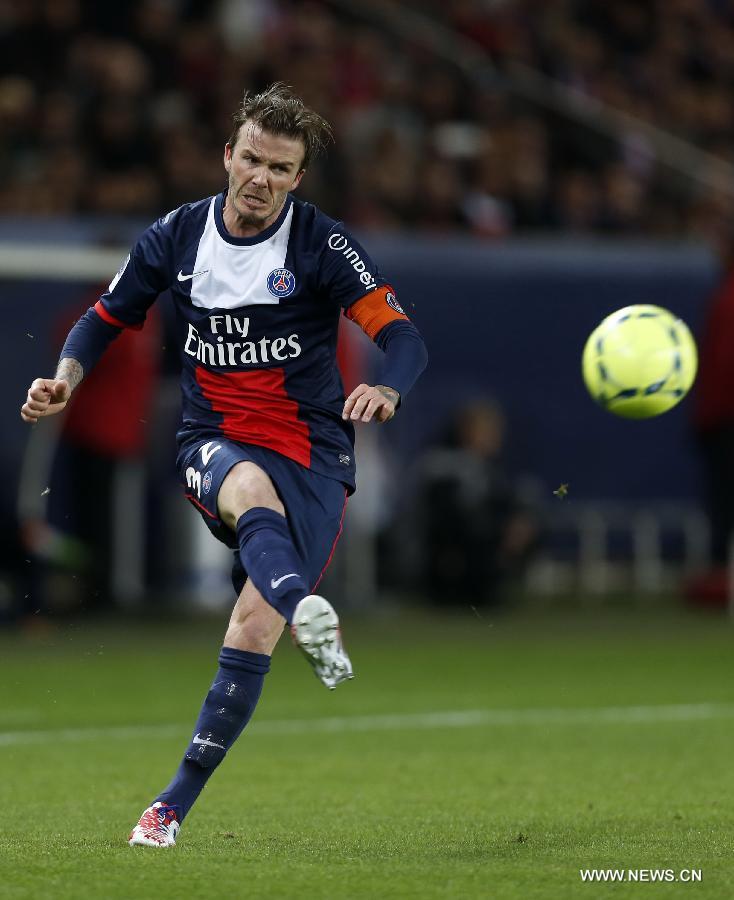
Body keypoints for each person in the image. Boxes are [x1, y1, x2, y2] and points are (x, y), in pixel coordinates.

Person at [20, 83, 428, 847]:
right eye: (251, 159)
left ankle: (176, 800)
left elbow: (404, 336)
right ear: (227, 156)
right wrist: (65, 379)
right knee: (246, 488)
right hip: (212, 439)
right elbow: (103, 318)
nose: (261, 178)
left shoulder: (320, 244)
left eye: (280, 167)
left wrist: (387, 387)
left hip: (312, 452)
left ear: (298, 177)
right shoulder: (176, 236)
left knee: (249, 631)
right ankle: (300, 604)